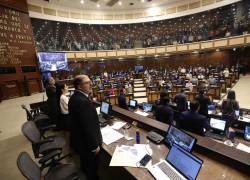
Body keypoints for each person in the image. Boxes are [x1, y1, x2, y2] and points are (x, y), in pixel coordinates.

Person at [68, 75, 102, 180]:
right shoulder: (82, 101)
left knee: (85, 165)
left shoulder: (75, 97)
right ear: (79, 86)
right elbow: (86, 127)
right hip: (87, 145)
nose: (91, 84)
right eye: (87, 83)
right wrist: (94, 146)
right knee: (92, 169)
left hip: (80, 141)